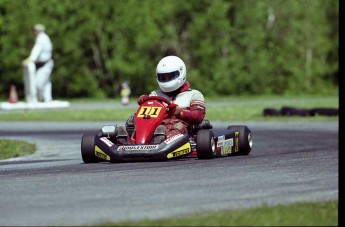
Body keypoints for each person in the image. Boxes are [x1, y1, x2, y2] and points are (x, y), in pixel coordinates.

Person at [116, 55, 208, 144]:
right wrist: (139, 113)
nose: (166, 80)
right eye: (163, 77)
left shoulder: (193, 95)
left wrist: (180, 113)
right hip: (156, 125)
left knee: (176, 126)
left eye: (170, 76)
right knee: (142, 123)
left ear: (181, 73)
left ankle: (161, 139)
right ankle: (130, 140)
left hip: (181, 129)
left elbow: (198, 117)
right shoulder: (155, 95)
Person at [23, 24, 54, 102]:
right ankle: (47, 99)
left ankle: (42, 99)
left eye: (35, 30)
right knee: (46, 83)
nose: (34, 32)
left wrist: (30, 59)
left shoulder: (42, 38)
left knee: (38, 83)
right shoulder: (43, 37)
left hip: (45, 64)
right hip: (44, 64)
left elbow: (37, 50)